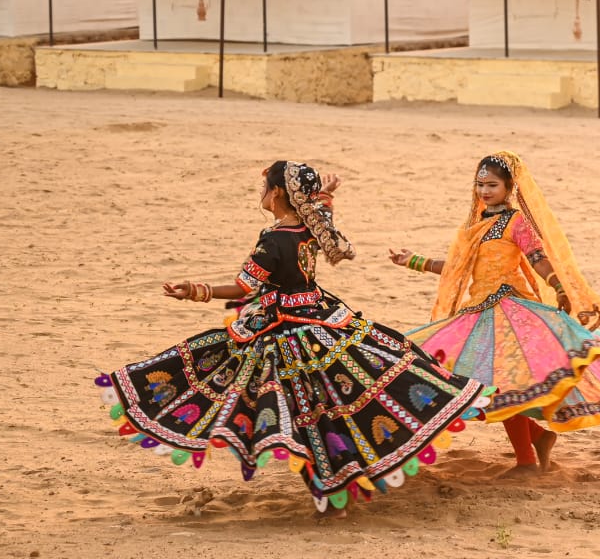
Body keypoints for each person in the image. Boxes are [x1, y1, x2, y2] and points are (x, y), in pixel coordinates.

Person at [94, 161, 490, 517]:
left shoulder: (275, 239)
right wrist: (325, 197)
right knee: (336, 403)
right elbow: (320, 217)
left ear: (278, 193)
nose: (260, 193)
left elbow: (243, 287)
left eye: (264, 186)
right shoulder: (308, 227)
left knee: (300, 415)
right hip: (323, 319)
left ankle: (330, 493)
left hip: (286, 332)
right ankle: (341, 485)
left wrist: (195, 290)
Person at [392, 151, 600, 474]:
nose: (484, 191)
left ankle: (527, 459)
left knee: (505, 385)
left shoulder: (516, 222)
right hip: (478, 312)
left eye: (492, 185)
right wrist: (413, 261)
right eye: (480, 184)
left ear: (510, 187)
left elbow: (538, 257)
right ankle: (539, 438)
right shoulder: (475, 225)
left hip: (512, 311)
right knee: (479, 383)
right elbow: (458, 268)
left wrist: (558, 286)